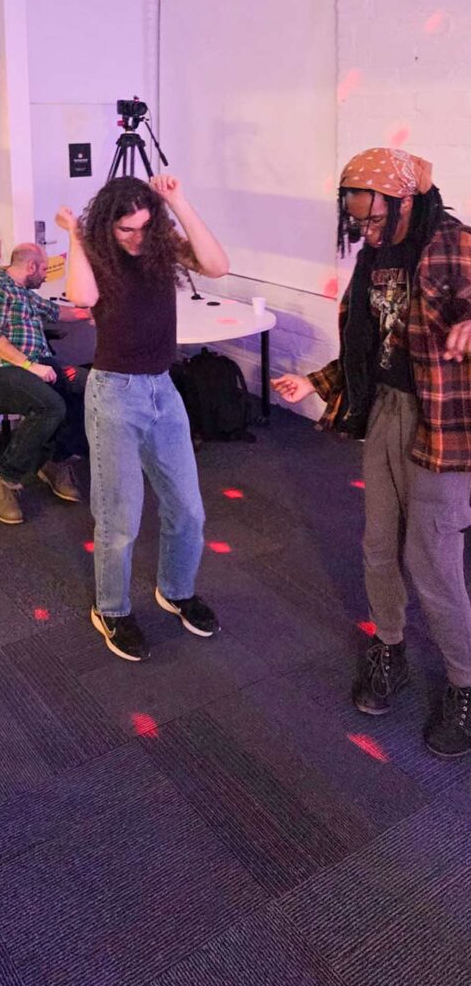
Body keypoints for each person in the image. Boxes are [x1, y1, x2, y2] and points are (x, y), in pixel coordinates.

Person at [272, 147, 471, 758]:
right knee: (379, 545)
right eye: (355, 211)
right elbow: (373, 348)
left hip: (441, 423)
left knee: (431, 559)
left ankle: (465, 683)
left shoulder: (453, 244)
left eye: (372, 210)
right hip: (384, 411)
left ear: (404, 198)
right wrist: (318, 382)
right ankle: (390, 647)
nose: (363, 224)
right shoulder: (373, 259)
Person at [56, 175, 229, 661]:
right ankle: (110, 607)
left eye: (143, 227)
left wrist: (178, 200)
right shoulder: (97, 252)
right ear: (107, 226)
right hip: (114, 393)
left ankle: (175, 590)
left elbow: (217, 265)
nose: (135, 237)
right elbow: (83, 298)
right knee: (120, 518)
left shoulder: (163, 247)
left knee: (188, 509)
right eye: (125, 229)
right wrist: (74, 236)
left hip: (163, 390)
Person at [0, 242, 92, 524]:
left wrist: (93, 313)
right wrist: (30, 366)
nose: (46, 275)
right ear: (32, 266)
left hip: (38, 364)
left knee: (88, 387)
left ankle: (54, 461)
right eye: (45, 268)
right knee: (50, 407)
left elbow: (58, 312)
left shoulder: (25, 293)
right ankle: (4, 478)